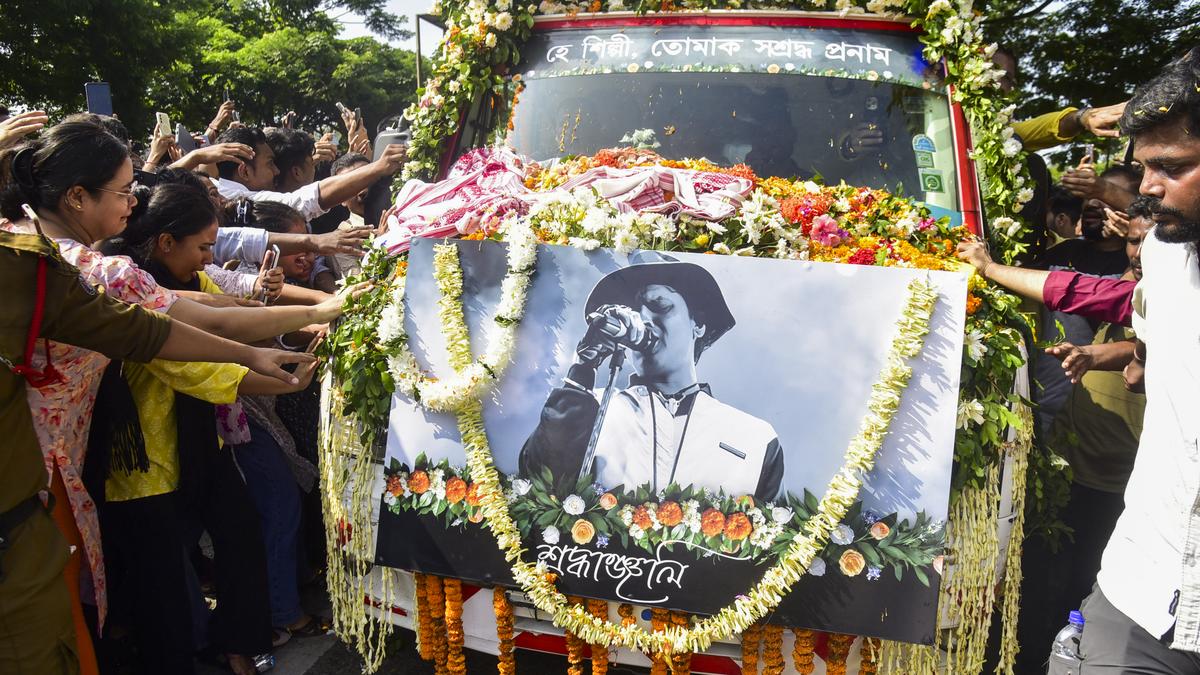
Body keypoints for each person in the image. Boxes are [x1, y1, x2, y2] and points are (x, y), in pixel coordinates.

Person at [0, 118, 355, 668]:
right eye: (122, 192)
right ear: (75, 197)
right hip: (44, 468)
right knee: (59, 617)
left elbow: (208, 306)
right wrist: (309, 315)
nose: (132, 202)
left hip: (55, 457)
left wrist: (290, 319)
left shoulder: (31, 244)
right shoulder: (93, 269)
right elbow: (173, 323)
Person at [1076, 46, 1200, 671]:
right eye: (1145, 167)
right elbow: (1148, 340)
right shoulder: (1163, 255)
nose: (1148, 188)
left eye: (1173, 167)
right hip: (1139, 589)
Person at [519, 252, 785, 501]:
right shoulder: (587, 408)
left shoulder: (756, 437)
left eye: (659, 305)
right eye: (634, 310)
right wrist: (582, 368)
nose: (643, 320)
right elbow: (537, 489)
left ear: (699, 325)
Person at [212, 126, 406, 222]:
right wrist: (379, 166)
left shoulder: (224, 191)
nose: (276, 171)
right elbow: (301, 202)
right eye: (270, 163)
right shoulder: (236, 200)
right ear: (244, 171)